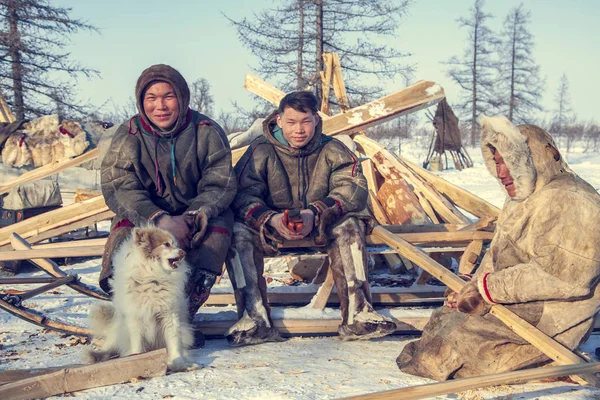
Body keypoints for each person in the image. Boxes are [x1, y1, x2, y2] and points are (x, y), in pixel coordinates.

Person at [397, 115, 600, 380]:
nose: (501, 173)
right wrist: (471, 287)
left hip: (553, 312)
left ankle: (550, 363)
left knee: (449, 348)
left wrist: (487, 289)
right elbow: (496, 255)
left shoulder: (570, 200)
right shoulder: (521, 198)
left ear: (532, 160)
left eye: (509, 163)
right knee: (443, 320)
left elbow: (565, 279)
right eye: (497, 163)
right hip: (517, 300)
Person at [224, 91, 397, 346]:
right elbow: (241, 194)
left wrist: (315, 213)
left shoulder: (333, 149)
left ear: (316, 119)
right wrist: (270, 219)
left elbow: (352, 188)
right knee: (236, 232)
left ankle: (358, 313)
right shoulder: (259, 151)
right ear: (279, 120)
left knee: (351, 226)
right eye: (291, 122)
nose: (299, 130)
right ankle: (254, 319)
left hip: (322, 223)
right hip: (272, 226)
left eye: (305, 121)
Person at [100, 64, 236, 332]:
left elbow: (219, 182)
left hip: (196, 215)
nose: (160, 106)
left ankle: (181, 320)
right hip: (147, 215)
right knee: (123, 240)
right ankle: (130, 320)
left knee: (217, 236)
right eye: (151, 98)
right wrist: (157, 219)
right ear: (141, 101)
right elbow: (119, 184)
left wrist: (192, 218)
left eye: (168, 96)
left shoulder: (206, 130)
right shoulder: (129, 135)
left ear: (182, 98)